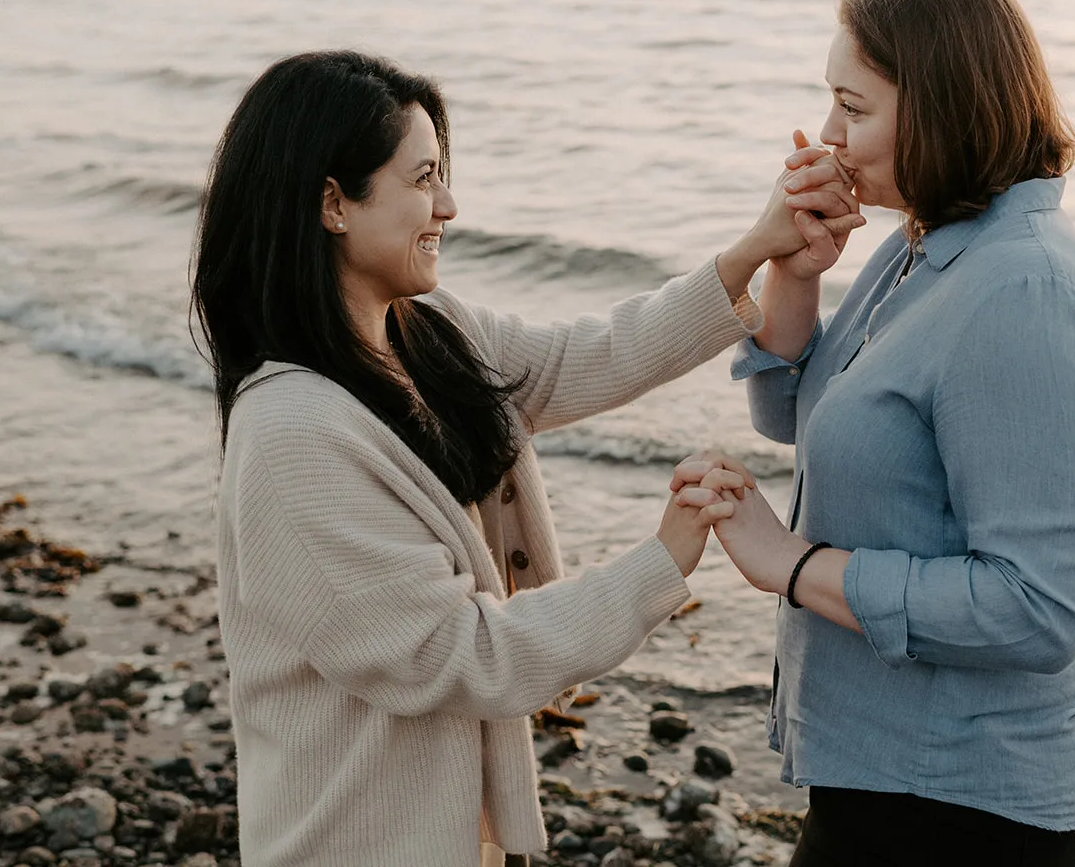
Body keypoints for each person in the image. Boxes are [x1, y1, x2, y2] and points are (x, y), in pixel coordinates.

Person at [189, 50, 863, 867]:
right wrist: (661, 561)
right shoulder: (292, 433)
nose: (449, 204)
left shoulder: (427, 333)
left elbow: (588, 355)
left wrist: (756, 247)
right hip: (351, 840)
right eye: (423, 177)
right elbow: (461, 654)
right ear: (333, 202)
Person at [673, 0, 1075, 867]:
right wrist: (793, 273)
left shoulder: (1026, 294)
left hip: (962, 801)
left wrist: (792, 563)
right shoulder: (925, 242)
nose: (830, 137)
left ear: (944, 110)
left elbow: (1039, 610)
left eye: (857, 108)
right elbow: (798, 416)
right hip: (885, 768)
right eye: (830, 103)